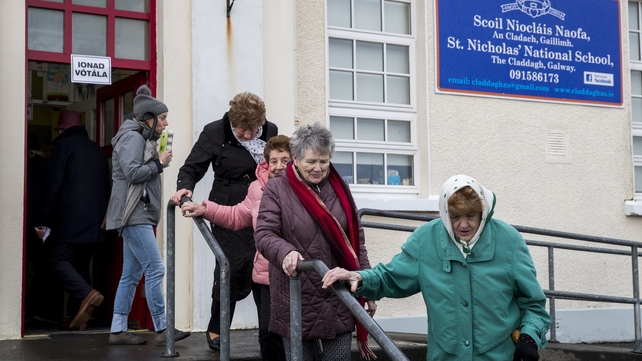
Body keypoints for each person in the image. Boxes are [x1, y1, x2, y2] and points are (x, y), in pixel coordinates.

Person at [321, 174, 551, 361]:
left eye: (471, 216)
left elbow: (533, 303)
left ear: (483, 212)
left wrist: (529, 337)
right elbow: (391, 277)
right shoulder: (426, 240)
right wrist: (359, 278)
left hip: (499, 355)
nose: (463, 225)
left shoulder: (508, 241)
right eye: (455, 216)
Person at [254, 122, 377, 361]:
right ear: (296, 159)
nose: (318, 168)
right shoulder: (277, 189)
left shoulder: (339, 188)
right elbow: (264, 234)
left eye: (324, 161)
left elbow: (355, 241)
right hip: (297, 297)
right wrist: (285, 252)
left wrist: (368, 284)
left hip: (337, 297)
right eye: (311, 161)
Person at [170, 92, 278, 350]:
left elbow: (278, 164)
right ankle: (217, 328)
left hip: (262, 208)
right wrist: (185, 188)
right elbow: (191, 168)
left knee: (262, 269)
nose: (250, 136)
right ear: (232, 121)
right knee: (229, 266)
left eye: (255, 130)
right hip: (227, 208)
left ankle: (270, 331)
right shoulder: (215, 132)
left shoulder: (270, 130)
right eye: (244, 130)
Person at [180, 135, 291, 361]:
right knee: (269, 335)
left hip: (295, 274)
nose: (279, 166)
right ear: (266, 163)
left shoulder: (304, 189)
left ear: (295, 161)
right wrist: (205, 209)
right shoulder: (256, 189)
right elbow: (236, 215)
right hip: (265, 276)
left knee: (299, 335)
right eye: (274, 161)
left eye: (285, 160)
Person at [106, 85, 191, 345]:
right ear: (148, 119)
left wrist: (156, 161)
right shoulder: (133, 138)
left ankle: (118, 331)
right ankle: (163, 327)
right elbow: (132, 172)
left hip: (135, 214)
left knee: (130, 275)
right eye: (162, 118)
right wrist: (158, 163)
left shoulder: (140, 137)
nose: (166, 123)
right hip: (133, 215)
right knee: (155, 268)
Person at [36, 110, 110, 330]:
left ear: (61, 129)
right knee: (80, 266)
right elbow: (107, 186)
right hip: (96, 224)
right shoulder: (97, 149)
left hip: (70, 222)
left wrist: (43, 219)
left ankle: (87, 294)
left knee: (58, 260)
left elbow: (53, 185)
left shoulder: (63, 146)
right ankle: (83, 321)